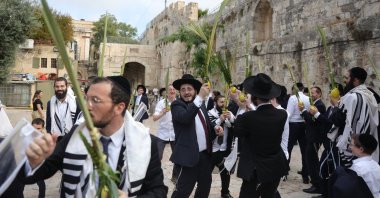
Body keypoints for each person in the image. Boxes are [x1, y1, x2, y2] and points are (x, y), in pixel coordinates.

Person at [23, 76, 168, 197]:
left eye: (96, 100)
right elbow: (41, 171)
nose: (87, 106)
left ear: (119, 107)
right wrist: (34, 162)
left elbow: (158, 191)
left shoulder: (145, 143)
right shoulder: (75, 136)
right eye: (87, 99)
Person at [235, 74, 288, 198]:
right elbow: (263, 117)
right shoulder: (282, 114)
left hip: (255, 170)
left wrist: (242, 108)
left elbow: (238, 131)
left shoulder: (248, 117)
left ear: (254, 97)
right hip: (274, 167)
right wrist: (250, 106)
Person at [170, 74, 219, 198]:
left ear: (195, 90)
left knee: (204, 188)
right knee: (181, 192)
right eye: (183, 89)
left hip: (205, 156)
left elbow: (205, 123)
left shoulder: (200, 105)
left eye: (189, 89)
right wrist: (200, 97)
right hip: (188, 157)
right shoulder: (177, 106)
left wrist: (216, 128)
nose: (186, 92)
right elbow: (186, 117)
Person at [334, 67, 379, 166]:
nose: (345, 81)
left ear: (356, 80)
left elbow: (339, 121)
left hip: (354, 146)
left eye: (347, 78)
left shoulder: (352, 97)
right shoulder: (369, 95)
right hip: (366, 144)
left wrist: (336, 106)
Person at [299, 86, 326, 194]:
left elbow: (313, 121)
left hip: (315, 137)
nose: (311, 95)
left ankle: (316, 184)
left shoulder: (319, 105)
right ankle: (315, 182)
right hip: (311, 136)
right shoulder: (315, 104)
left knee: (312, 161)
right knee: (310, 159)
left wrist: (303, 110)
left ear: (319, 94)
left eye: (313, 93)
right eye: (310, 93)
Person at [208, 95, 235, 198]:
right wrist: (219, 119)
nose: (223, 104)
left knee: (225, 173)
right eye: (221, 102)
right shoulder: (210, 113)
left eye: (225, 102)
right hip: (213, 149)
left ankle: (225, 192)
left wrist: (230, 119)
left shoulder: (229, 113)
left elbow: (235, 125)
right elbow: (210, 127)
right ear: (215, 103)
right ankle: (202, 190)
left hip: (225, 149)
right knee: (207, 173)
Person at [286, 82, 310, 184]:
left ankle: (285, 171)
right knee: (304, 150)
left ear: (293, 90)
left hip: (293, 125)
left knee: (288, 148)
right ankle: (305, 175)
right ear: (303, 88)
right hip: (303, 124)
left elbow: (289, 114)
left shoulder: (292, 98)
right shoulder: (307, 98)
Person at [152, 85, 177, 182]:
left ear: (176, 91)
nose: (172, 91)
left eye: (173, 89)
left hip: (175, 134)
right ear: (166, 92)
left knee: (177, 157)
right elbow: (154, 118)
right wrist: (163, 112)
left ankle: (174, 177)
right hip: (162, 133)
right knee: (158, 156)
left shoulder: (179, 103)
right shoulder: (161, 103)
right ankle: (155, 176)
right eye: (170, 89)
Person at [46, 77, 80, 141]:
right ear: (54, 88)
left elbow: (80, 121)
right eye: (57, 86)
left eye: (62, 86)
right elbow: (48, 123)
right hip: (56, 139)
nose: (59, 89)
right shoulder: (50, 103)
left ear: (67, 87)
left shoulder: (76, 102)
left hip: (72, 138)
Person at [30, 118, 46, 198]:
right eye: (33, 128)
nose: (35, 130)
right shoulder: (26, 136)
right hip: (26, 164)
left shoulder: (44, 139)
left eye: (38, 128)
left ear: (42, 128)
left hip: (38, 164)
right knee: (20, 185)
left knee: (41, 184)